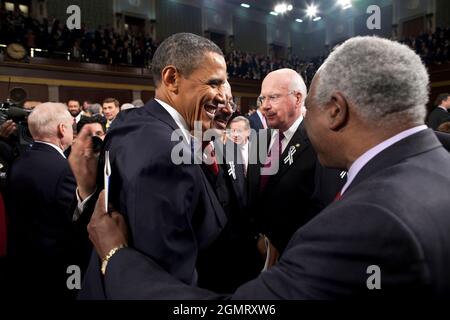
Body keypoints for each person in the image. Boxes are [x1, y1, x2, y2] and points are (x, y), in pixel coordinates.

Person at [86, 36, 450, 299]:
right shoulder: (440, 165)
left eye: (311, 107)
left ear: (336, 111)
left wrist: (116, 257)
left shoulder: (360, 223)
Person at [73, 32, 228, 299]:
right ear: (172, 79)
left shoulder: (130, 122)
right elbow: (166, 280)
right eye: (214, 83)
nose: (222, 96)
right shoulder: (166, 154)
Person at [247, 68, 343, 261]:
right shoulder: (259, 139)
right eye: (262, 99)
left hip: (295, 255)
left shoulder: (319, 141)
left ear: (298, 99)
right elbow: (252, 195)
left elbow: (321, 207)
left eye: (273, 97)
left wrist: (278, 241)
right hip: (253, 252)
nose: (264, 106)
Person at [6, 103, 83, 298]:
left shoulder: (18, 162)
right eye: (71, 126)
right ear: (62, 129)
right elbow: (75, 222)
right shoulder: (64, 169)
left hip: (22, 262)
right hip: (55, 267)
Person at [196, 81, 259, 292]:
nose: (229, 109)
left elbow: (242, 203)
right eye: (220, 101)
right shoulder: (178, 153)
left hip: (240, 274)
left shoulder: (230, 149)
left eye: (230, 102)